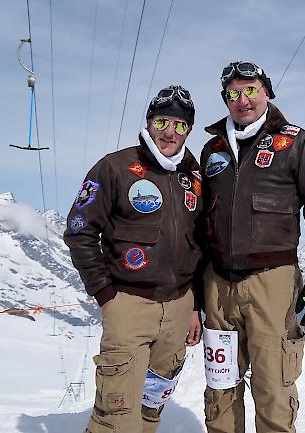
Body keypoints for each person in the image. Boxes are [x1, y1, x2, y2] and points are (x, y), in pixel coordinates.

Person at [199, 61, 305, 433]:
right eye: (233, 93)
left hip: (271, 283)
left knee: (272, 384)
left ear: (267, 92)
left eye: (251, 90)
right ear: (225, 99)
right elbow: (198, 221)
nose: (242, 100)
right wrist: (196, 282)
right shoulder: (212, 149)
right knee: (220, 387)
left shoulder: (294, 141)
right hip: (217, 285)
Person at [63, 85, 204, 433]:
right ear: (149, 122)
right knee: (116, 414)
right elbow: (79, 229)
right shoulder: (115, 167)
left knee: (151, 408)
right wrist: (105, 294)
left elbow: (201, 245)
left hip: (178, 309)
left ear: (189, 130)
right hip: (127, 303)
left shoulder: (194, 177)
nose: (170, 132)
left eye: (180, 125)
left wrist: (194, 306)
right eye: (162, 122)